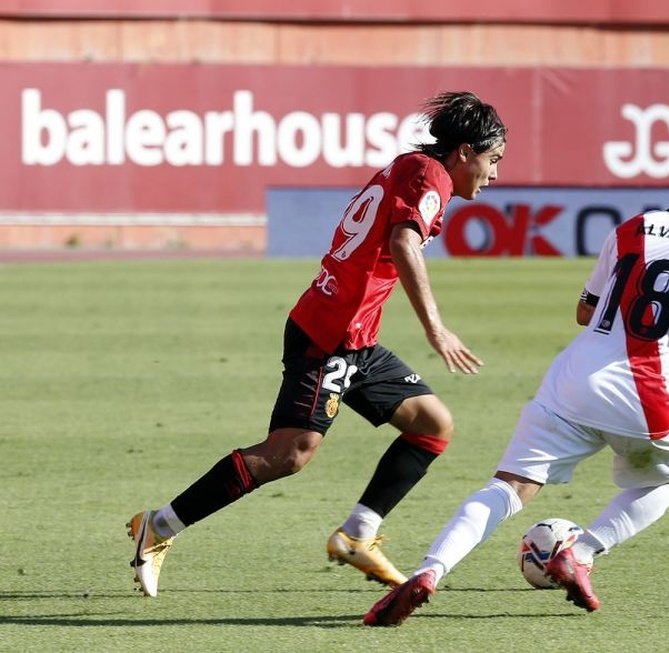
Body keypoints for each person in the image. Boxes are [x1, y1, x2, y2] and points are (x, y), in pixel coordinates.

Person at [127, 91, 507, 597]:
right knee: (291, 453)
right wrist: (436, 328)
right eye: (493, 159)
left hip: (356, 337)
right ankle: (159, 526)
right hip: (331, 336)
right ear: (463, 152)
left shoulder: (413, 166)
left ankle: (357, 535)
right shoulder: (430, 176)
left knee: (432, 425)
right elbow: (402, 241)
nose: (495, 173)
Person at [363, 144, 669, 626]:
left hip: (571, 381)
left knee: (506, 486)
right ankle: (584, 550)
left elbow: (585, 310)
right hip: (643, 394)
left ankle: (427, 572)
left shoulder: (631, 229)